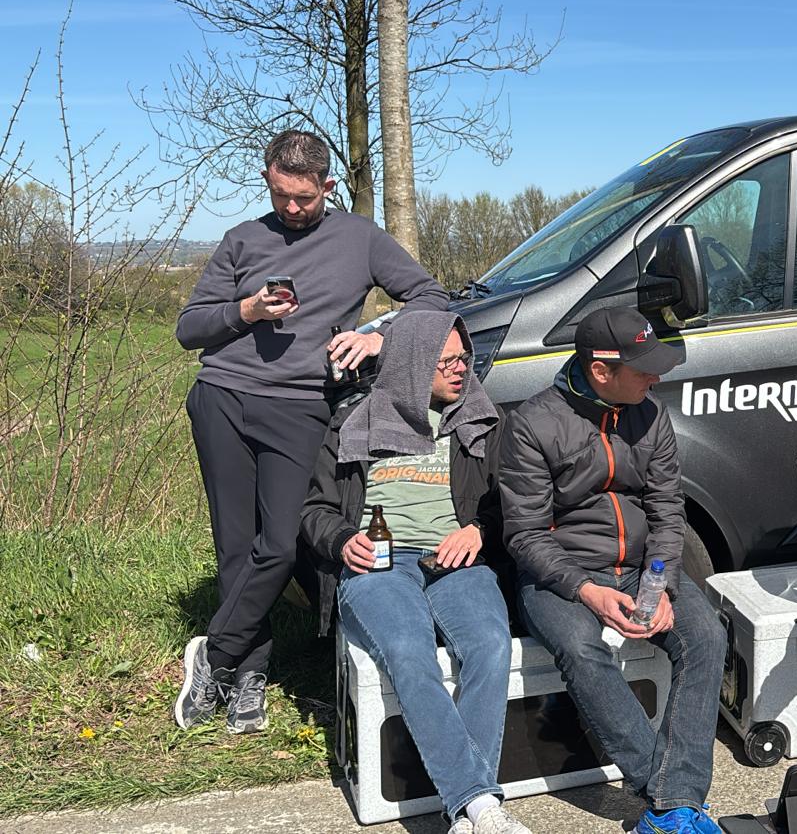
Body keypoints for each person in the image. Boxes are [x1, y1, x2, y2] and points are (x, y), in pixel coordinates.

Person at [174, 129, 448, 734]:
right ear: (267, 180)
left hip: (301, 408)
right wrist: (246, 310)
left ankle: (213, 654)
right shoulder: (242, 239)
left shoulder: (361, 238)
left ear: (327, 185)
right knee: (235, 546)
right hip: (223, 398)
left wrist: (379, 338)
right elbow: (189, 329)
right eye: (281, 196)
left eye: (304, 197)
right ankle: (248, 674)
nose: (292, 208)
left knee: (280, 545)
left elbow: (431, 297)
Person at [499, 307, 726, 834]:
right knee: (581, 649)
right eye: (644, 369)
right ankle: (671, 800)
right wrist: (587, 591)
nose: (656, 379)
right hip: (560, 574)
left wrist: (659, 584)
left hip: (642, 568)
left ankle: (673, 806)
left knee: (708, 637)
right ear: (601, 371)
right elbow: (525, 535)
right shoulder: (532, 423)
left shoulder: (651, 413)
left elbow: (668, 509)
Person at [300, 311, 523, 834]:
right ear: (411, 364)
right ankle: (480, 806)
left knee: (490, 644)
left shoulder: (481, 422)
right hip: (379, 560)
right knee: (407, 650)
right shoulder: (355, 422)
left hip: (455, 558)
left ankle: (469, 808)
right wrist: (343, 539)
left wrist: (480, 531)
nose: (461, 370)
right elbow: (314, 511)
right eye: (447, 361)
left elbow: (513, 504)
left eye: (465, 359)